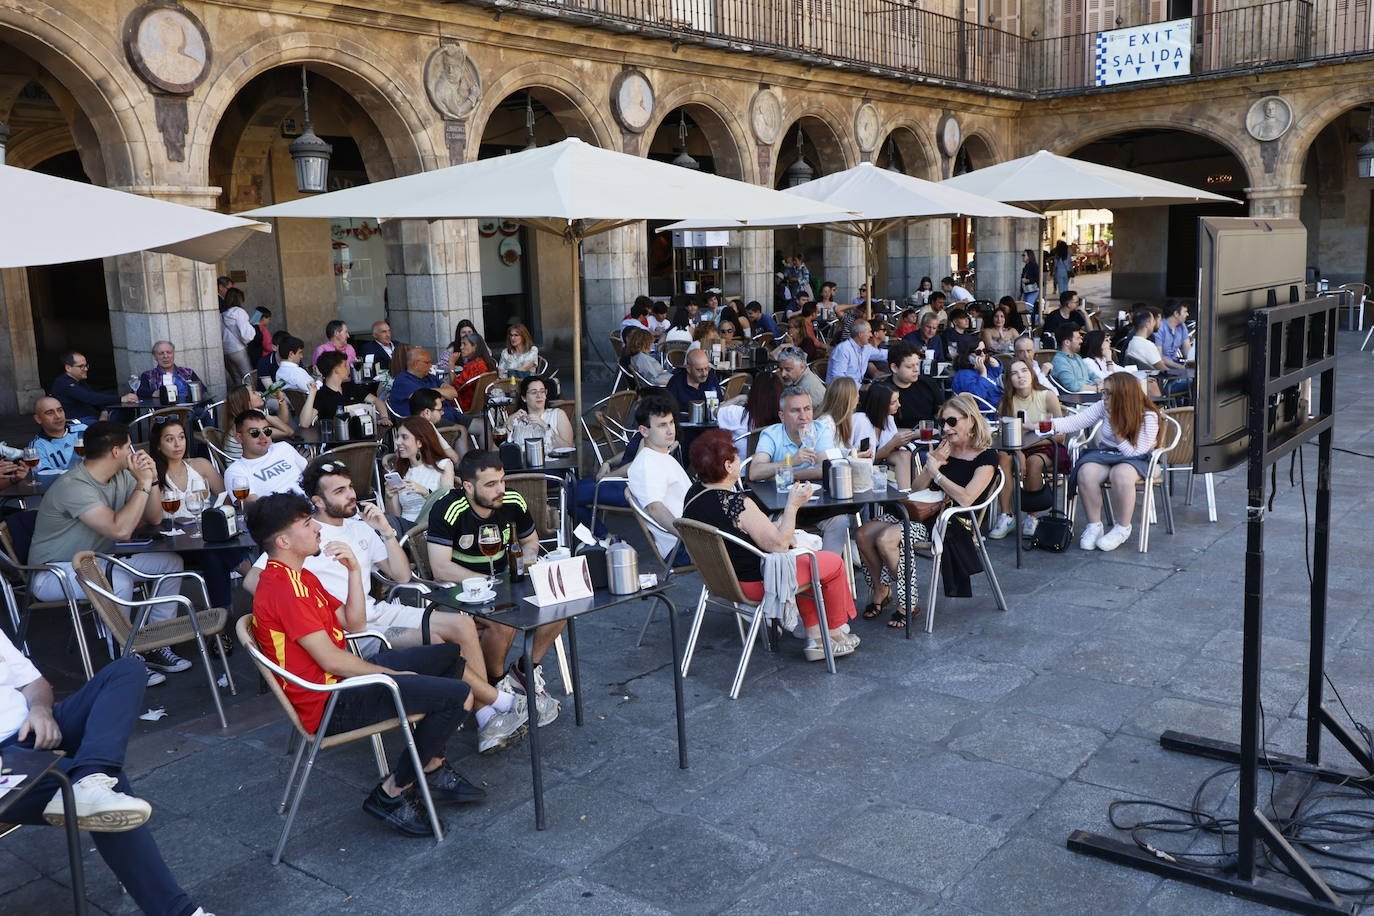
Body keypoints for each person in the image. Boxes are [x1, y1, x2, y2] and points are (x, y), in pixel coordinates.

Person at [245, 464, 529, 754]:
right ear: (317, 501)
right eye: (340, 491)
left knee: (462, 625)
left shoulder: (355, 531)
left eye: (350, 487)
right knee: (436, 643)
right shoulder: (294, 557)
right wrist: (309, 611)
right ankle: (486, 710)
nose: (351, 495)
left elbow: (402, 576)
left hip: (374, 610)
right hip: (350, 637)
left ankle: (483, 708)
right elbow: (256, 582)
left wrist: (385, 530)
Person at [248, 492, 478, 837]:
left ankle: (430, 765)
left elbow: (353, 625)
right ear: (283, 541)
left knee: (447, 656)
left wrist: (354, 569)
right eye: (307, 525)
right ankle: (391, 793)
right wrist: (392, 675)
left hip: (342, 682)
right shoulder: (284, 590)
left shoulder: (301, 576)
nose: (317, 530)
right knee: (459, 695)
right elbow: (330, 659)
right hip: (329, 703)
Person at [0, 639, 217, 916]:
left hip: (34, 730)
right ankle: (176, 911)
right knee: (111, 798)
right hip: (6, 766)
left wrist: (40, 710)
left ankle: (91, 777)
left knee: (127, 670)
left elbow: (34, 683)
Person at [28, 422, 187, 685]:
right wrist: (143, 484)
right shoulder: (75, 485)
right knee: (116, 580)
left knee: (171, 563)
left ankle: (158, 642)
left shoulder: (122, 475)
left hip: (98, 563)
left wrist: (152, 478)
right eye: (129, 446)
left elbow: (155, 516)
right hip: (52, 572)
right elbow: (121, 530)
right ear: (116, 451)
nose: (133, 452)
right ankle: (127, 658)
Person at [684, 429, 858, 662]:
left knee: (805, 561)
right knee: (832, 563)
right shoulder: (737, 503)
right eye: (736, 458)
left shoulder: (693, 495)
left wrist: (773, 525)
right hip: (756, 582)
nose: (739, 462)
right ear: (727, 466)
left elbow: (740, 532)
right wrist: (793, 505)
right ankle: (832, 633)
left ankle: (814, 636)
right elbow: (779, 545)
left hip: (720, 579)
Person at [426, 452, 561, 726]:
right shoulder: (448, 508)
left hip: (506, 581)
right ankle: (497, 683)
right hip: (462, 592)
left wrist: (527, 559)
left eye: (501, 480)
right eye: (490, 484)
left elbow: (531, 541)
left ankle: (524, 671)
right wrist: (489, 585)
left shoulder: (511, 500)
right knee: (503, 623)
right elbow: (441, 568)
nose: (500, 489)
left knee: (561, 603)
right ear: (467, 486)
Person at [856, 394, 997, 627]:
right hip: (922, 509)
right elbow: (915, 489)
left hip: (951, 521)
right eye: (943, 422)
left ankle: (907, 601)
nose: (946, 428)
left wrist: (938, 474)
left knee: (886, 538)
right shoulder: (945, 449)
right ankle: (882, 589)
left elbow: (966, 498)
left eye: (952, 422)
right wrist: (931, 469)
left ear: (971, 420)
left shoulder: (986, 456)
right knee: (863, 533)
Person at [1036, 372, 1162, 552]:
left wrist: (1117, 427)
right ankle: (1094, 525)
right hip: (1107, 454)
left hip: (1139, 459)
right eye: (1103, 392)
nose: (1103, 397)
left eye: (1108, 393)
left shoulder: (1148, 416)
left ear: (1124, 394)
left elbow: (1133, 453)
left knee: (1120, 474)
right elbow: (1075, 422)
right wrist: (1039, 426)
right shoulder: (1104, 406)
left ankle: (1122, 528)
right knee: (1086, 472)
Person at [148, 417, 244, 614]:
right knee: (214, 551)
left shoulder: (200, 465)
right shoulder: (152, 476)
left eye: (181, 437)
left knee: (213, 554)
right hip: (173, 543)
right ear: (158, 446)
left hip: (205, 537)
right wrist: (152, 481)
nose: (178, 444)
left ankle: (220, 618)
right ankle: (251, 579)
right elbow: (154, 519)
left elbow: (225, 500)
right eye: (169, 439)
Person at [747, 389, 848, 556]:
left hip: (815, 503)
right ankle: (787, 576)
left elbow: (825, 469)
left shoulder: (820, 430)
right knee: (772, 527)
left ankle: (828, 571)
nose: (804, 416)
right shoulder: (771, 434)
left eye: (807, 409)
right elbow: (755, 472)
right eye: (795, 410)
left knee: (841, 520)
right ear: (782, 416)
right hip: (778, 506)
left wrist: (785, 474)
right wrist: (791, 462)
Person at [988, 358, 1065, 540]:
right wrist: (1018, 451)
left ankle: (1032, 516)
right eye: (1014, 373)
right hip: (1015, 448)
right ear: (1009, 379)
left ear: (1031, 373)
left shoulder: (1047, 395)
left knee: (1033, 462)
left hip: (1046, 445)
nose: (1020, 376)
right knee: (1003, 458)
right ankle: (1006, 516)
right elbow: (1004, 436)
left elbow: (1060, 434)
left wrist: (1025, 448)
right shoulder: (1006, 402)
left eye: (1024, 370)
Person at [626, 395, 692, 566]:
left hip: (693, 538)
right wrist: (691, 537)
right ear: (644, 431)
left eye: (671, 422)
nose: (671, 430)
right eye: (662, 425)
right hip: (681, 547)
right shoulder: (648, 463)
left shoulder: (661, 455)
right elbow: (655, 508)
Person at [223, 410, 308, 503]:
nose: (263, 436)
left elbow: (309, 472)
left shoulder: (283, 447)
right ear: (239, 438)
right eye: (254, 432)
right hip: (282, 514)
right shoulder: (236, 471)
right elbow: (250, 504)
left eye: (267, 431)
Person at [383, 418, 455, 526]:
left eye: (404, 437)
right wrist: (389, 497)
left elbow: (449, 506)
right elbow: (395, 519)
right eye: (398, 437)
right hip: (407, 532)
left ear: (420, 442)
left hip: (433, 528)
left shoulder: (443, 465)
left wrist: (426, 493)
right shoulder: (399, 472)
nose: (397, 442)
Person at [298, 351, 387, 428]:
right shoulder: (322, 394)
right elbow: (304, 424)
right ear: (336, 370)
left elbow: (376, 400)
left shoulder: (351, 387)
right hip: (338, 444)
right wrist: (312, 393)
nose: (348, 368)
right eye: (344, 365)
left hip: (361, 438)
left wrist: (384, 417)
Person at [52, 351, 137, 424]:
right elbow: (89, 397)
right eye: (81, 366)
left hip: (93, 417)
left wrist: (104, 411)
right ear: (68, 368)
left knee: (126, 411)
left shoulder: (80, 381)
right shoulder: (63, 382)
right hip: (78, 422)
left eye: (86, 365)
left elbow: (94, 397)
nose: (85, 369)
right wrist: (121, 399)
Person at [856, 382, 916, 486]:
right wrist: (893, 443)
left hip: (881, 466)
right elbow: (863, 460)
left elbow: (890, 450)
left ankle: (906, 493)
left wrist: (899, 443)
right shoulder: (862, 420)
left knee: (904, 454)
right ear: (880, 404)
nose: (899, 405)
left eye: (898, 400)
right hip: (859, 471)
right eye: (893, 402)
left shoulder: (887, 418)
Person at [1125, 310, 1192, 395]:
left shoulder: (1132, 342)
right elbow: (1162, 368)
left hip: (1145, 381)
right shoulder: (1147, 345)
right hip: (1160, 386)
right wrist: (1183, 372)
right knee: (1194, 382)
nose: (1155, 323)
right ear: (1147, 324)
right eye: (1153, 321)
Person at [219, 384, 292, 461]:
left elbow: (283, 423)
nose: (259, 393)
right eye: (254, 392)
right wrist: (263, 414)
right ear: (246, 402)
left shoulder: (245, 419)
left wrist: (280, 399)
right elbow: (287, 431)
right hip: (251, 468)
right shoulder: (247, 426)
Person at [389, 348, 462, 423]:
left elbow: (453, 393)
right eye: (427, 362)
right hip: (425, 424)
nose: (430, 366)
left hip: (452, 415)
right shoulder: (403, 381)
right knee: (463, 429)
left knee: (473, 422)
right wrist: (443, 394)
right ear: (416, 364)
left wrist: (429, 392)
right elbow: (425, 400)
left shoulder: (429, 376)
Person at [717, 373, 780, 458]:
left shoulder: (739, 414)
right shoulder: (783, 418)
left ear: (753, 391)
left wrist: (739, 398)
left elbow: (717, 412)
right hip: (772, 469)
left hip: (741, 468)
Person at [506, 375, 573, 451]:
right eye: (534, 392)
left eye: (542, 391)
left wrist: (546, 427)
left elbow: (569, 448)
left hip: (553, 462)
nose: (539, 395)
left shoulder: (558, 414)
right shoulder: (515, 419)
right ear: (524, 398)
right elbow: (495, 451)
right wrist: (509, 426)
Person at [886, 342, 942, 428]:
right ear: (894, 368)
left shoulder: (928, 384)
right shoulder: (884, 391)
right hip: (898, 438)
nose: (916, 370)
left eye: (917, 364)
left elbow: (941, 411)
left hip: (930, 435)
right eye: (909, 366)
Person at [409, 388, 468, 463]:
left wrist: (451, 428)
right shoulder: (428, 429)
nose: (442, 412)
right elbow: (454, 457)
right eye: (439, 410)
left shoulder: (406, 427)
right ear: (426, 412)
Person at [135, 342, 207, 402]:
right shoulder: (148, 375)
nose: (165, 356)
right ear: (155, 357)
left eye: (169, 352)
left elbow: (203, 391)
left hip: (190, 412)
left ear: (173, 354)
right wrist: (153, 394)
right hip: (162, 414)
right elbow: (138, 392)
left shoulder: (188, 372)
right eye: (161, 353)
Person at [29, 396, 84, 473]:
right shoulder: (38, 446)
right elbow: (43, 476)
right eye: (50, 413)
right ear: (38, 419)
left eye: (60, 410)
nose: (58, 416)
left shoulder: (82, 429)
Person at [826, 319, 888, 385]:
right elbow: (839, 379)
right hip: (841, 391)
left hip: (857, 387)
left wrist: (897, 352)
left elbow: (882, 354)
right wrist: (861, 387)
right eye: (869, 332)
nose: (871, 335)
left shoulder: (866, 348)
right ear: (860, 334)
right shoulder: (843, 349)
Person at [1049, 322, 1098, 394]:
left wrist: (1101, 384)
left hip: (1092, 394)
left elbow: (1092, 375)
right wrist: (1097, 389)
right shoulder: (1059, 361)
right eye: (1078, 338)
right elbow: (1073, 386)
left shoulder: (1077, 357)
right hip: (1080, 399)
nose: (1081, 341)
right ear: (1067, 342)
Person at [450, 332, 493, 411]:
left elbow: (454, 387)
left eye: (464, 344)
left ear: (474, 347)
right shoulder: (484, 362)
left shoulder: (473, 366)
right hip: (481, 404)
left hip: (464, 403)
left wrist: (451, 364)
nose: (461, 347)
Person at [220, 287, 255, 383]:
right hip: (238, 349)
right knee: (248, 378)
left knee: (237, 380)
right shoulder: (239, 312)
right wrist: (252, 329)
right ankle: (251, 397)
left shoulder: (222, 314)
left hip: (226, 350)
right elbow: (247, 334)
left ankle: (240, 398)